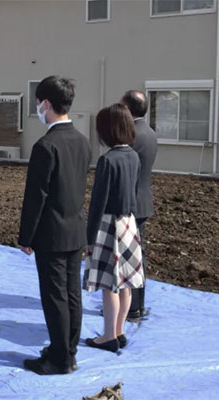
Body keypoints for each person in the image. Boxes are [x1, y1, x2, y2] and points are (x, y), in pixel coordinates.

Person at [18, 76, 91, 375]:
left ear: (46, 104)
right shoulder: (82, 141)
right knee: (73, 293)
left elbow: (36, 197)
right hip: (76, 229)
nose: (37, 107)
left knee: (55, 296)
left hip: (51, 233)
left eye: (38, 102)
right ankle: (68, 348)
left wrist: (26, 236)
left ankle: (60, 357)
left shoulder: (45, 146)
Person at [83, 103, 145, 353]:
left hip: (108, 225)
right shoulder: (133, 155)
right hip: (129, 223)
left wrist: (89, 237)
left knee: (110, 285)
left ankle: (108, 335)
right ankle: (119, 332)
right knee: (126, 282)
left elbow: (98, 202)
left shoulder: (107, 160)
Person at [120, 90, 158, 322]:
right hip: (143, 200)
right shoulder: (150, 132)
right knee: (137, 255)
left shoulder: (132, 135)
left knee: (129, 257)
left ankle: (131, 307)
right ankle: (136, 305)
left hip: (130, 203)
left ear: (128, 109)